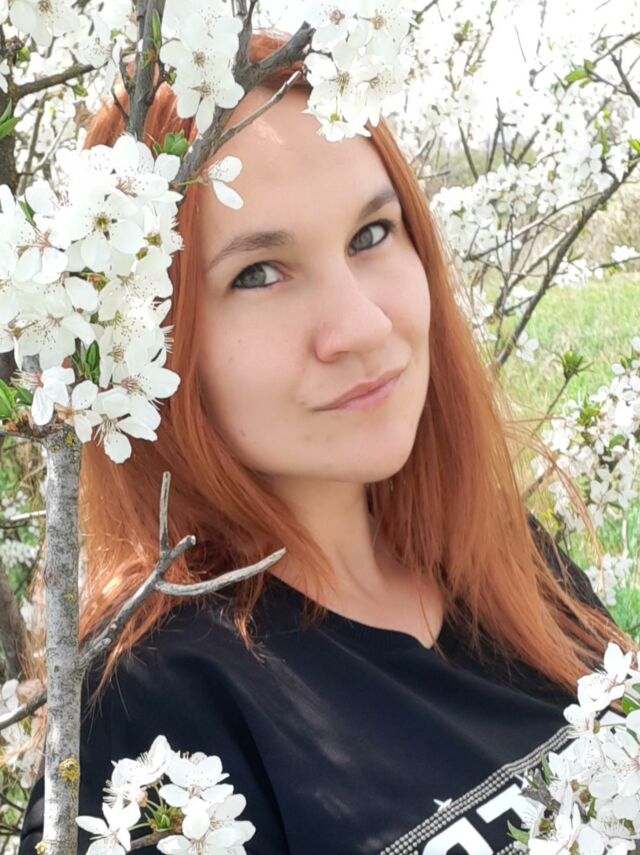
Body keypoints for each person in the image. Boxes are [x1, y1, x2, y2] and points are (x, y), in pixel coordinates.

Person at [17, 28, 634, 855]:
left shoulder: (511, 564)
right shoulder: (150, 718)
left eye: (371, 234)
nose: (363, 325)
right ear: (142, 342)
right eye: (257, 273)